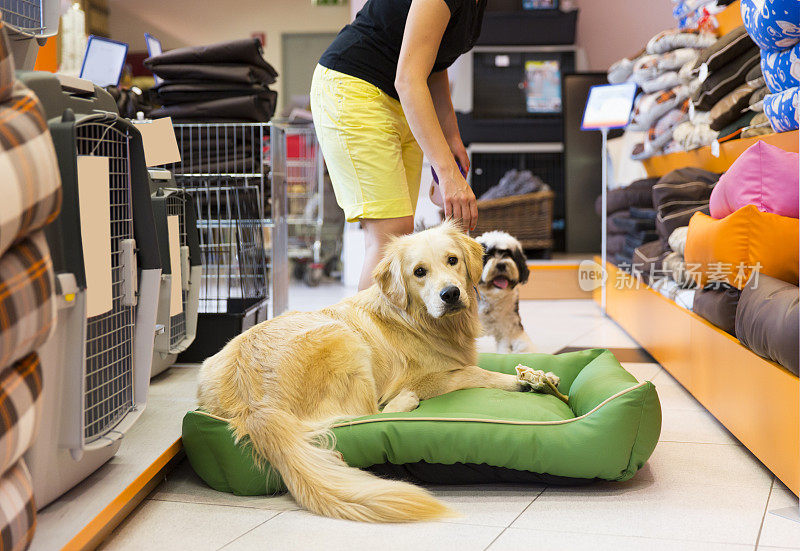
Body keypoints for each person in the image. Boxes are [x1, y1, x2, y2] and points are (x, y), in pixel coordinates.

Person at [310, 0, 486, 290]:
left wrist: (451, 136)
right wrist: (446, 172)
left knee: (400, 235)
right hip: (356, 88)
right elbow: (409, 79)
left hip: (400, 99)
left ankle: (392, 336)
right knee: (388, 240)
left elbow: (434, 63)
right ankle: (367, 337)